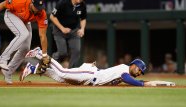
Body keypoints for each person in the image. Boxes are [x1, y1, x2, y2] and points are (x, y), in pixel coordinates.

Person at [0, 0, 51, 84]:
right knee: (23, 34)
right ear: (31, 3)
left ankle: (8, 71)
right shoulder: (21, 1)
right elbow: (2, 4)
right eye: (37, 7)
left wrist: (44, 55)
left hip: (25, 21)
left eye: (40, 7)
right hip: (11, 14)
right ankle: (3, 59)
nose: (39, 9)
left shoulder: (42, 13)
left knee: (25, 48)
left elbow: (43, 36)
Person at [20, 47, 175, 86]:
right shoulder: (124, 69)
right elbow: (128, 79)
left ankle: (33, 69)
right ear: (134, 65)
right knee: (62, 71)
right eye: (139, 69)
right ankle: (40, 53)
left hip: (90, 78)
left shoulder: (125, 73)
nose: (139, 72)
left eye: (141, 72)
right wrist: (144, 84)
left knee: (60, 78)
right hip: (88, 74)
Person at [50, 0, 87, 68]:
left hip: (73, 31)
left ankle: (70, 71)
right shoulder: (64, 2)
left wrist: (82, 29)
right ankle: (52, 59)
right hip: (59, 30)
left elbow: (83, 18)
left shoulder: (82, 5)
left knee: (76, 51)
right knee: (63, 53)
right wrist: (62, 28)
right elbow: (52, 17)